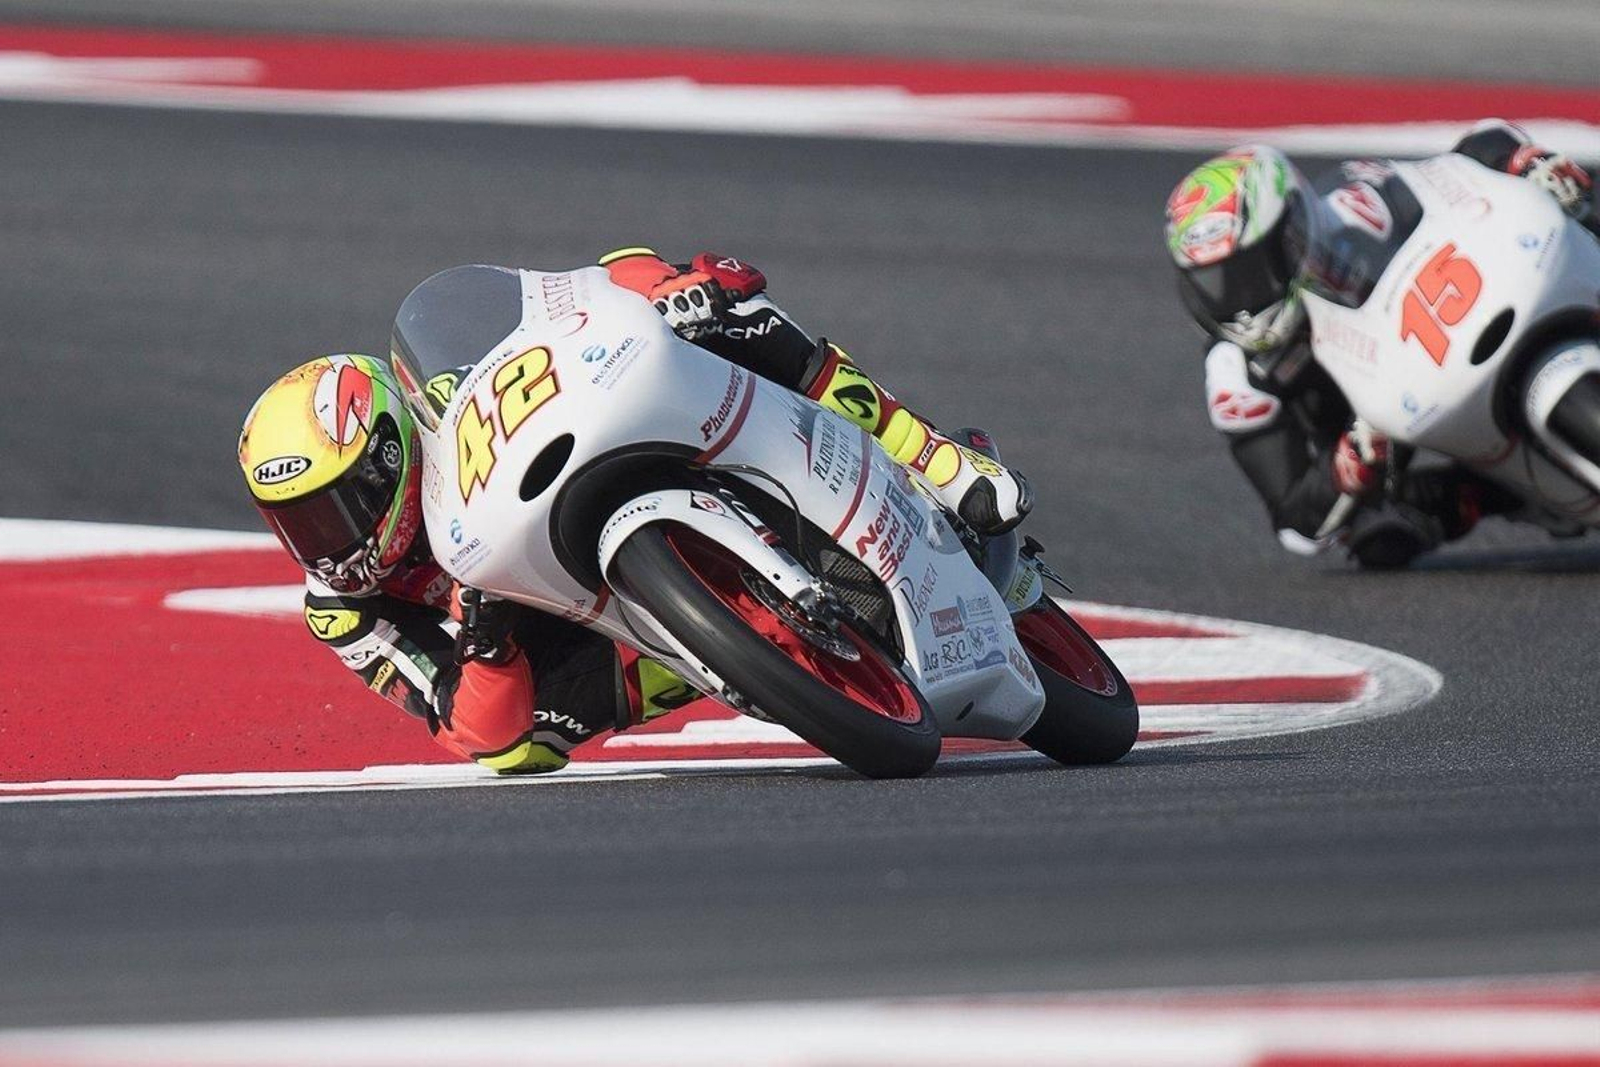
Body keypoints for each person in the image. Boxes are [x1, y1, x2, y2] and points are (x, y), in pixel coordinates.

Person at [237, 249, 1032, 773]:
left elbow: (564, 298)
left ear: (389, 456)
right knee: (525, 746)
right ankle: (726, 651)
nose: (322, 543)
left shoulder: (444, 401)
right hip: (546, 621)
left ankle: (930, 453)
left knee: (722, 305)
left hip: (582, 457)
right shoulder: (343, 609)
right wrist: (484, 635)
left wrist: (657, 287)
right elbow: (468, 728)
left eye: (331, 511)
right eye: (294, 522)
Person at [1164, 120, 1598, 567]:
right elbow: (1294, 520)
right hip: (1389, 423)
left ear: (1291, 231)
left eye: (1248, 274)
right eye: (1213, 283)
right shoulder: (1237, 374)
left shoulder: (1354, 204)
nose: (1237, 300)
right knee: (1381, 535)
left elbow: (1457, 162)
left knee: (1577, 193)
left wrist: (1522, 161)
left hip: (1453, 314)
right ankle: (1501, 495)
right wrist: (1347, 464)